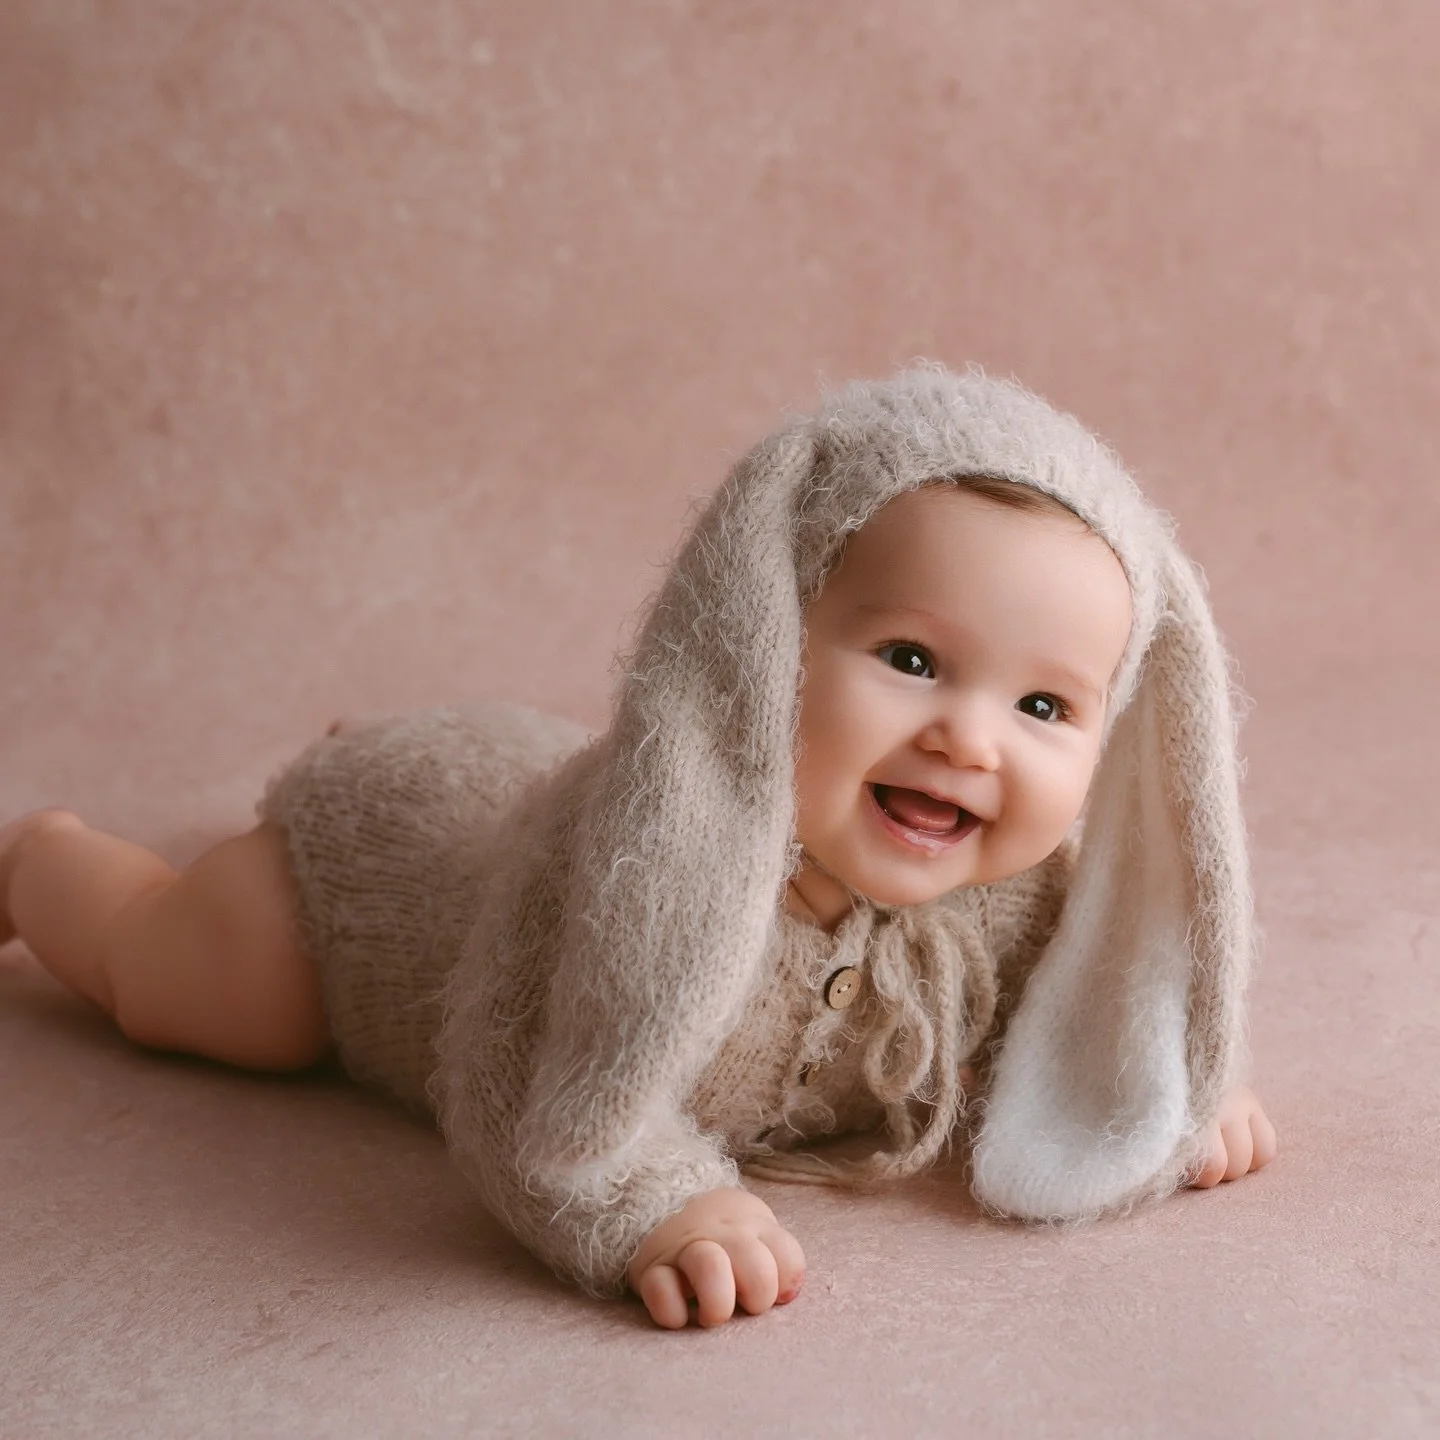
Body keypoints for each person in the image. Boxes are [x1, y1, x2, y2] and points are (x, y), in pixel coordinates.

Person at [0, 368, 1276, 1330]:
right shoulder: (631, 869)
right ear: (760, 643)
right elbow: (511, 1087)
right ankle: (46, 863)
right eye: (910, 659)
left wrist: (1154, 1083)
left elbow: (1078, 1000)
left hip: (511, 758)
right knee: (208, 989)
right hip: (369, 882)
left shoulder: (1013, 898)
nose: (969, 740)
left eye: (1043, 707)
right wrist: (649, 1200)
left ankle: (393, 734)